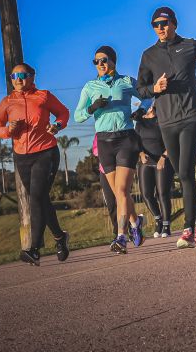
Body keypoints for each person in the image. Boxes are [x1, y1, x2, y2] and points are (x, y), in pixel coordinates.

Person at [137, 7, 196, 249]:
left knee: (185, 172)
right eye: (155, 24)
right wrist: (155, 88)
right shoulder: (148, 55)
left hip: (190, 115)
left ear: (174, 23)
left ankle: (188, 227)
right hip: (166, 121)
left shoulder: (190, 46)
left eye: (164, 23)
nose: (160, 28)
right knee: (183, 174)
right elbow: (141, 89)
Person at [0, 63, 70, 265]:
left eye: (23, 75)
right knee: (41, 198)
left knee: (35, 197)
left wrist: (57, 125)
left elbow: (63, 113)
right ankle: (60, 237)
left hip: (46, 152)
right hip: (21, 157)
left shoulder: (43, 96)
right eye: (13, 76)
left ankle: (34, 249)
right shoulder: (7, 102)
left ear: (32, 76)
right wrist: (8, 130)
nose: (18, 79)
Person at [75, 46, 145, 254]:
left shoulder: (126, 82)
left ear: (113, 61)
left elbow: (147, 95)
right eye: (96, 61)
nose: (100, 64)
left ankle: (121, 236)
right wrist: (93, 107)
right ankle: (136, 223)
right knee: (118, 194)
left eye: (104, 60)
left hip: (126, 138)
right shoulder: (90, 87)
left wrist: (141, 109)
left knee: (122, 191)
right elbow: (78, 115)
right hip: (104, 142)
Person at [133, 99, 174, 238]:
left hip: (162, 161)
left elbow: (171, 141)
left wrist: (163, 157)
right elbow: (136, 142)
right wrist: (141, 154)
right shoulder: (139, 123)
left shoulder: (162, 120)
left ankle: (167, 225)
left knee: (162, 193)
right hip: (146, 162)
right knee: (146, 195)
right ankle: (158, 220)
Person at [92, 134, 118, 238]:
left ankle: (128, 227)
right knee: (111, 203)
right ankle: (117, 229)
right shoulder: (98, 134)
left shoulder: (120, 130)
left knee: (122, 199)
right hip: (104, 171)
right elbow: (95, 151)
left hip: (120, 169)